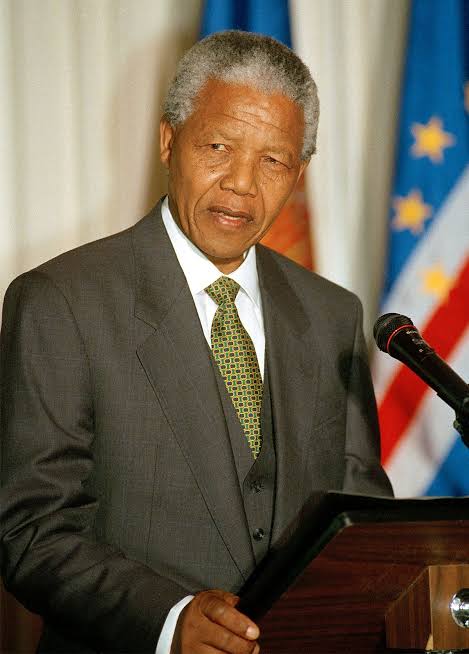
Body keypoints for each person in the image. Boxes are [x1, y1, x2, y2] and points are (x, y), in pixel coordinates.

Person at [0, 31, 392, 654]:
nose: (242, 183)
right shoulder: (60, 301)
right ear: (168, 141)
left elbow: (360, 522)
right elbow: (32, 529)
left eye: (273, 161)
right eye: (218, 147)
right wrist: (169, 620)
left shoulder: (331, 315)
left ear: (299, 174)